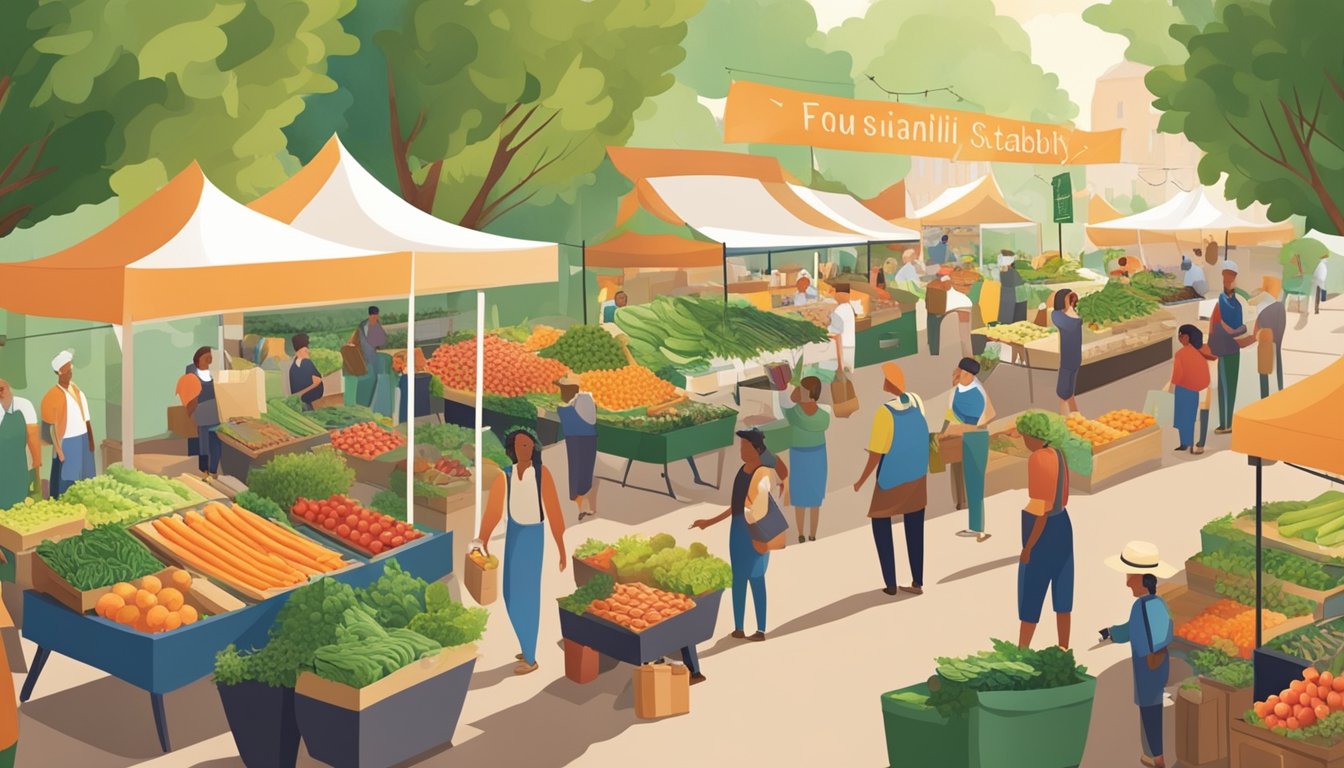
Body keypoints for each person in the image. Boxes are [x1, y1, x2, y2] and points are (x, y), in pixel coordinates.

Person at [475, 429, 566, 675]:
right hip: (515, 536)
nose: (522, 449)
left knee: (527, 596)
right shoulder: (505, 476)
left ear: (533, 448)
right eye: (518, 445)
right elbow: (493, 511)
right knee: (510, 593)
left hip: (533, 538)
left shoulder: (541, 475)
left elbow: (554, 511)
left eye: (526, 445)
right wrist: (482, 538)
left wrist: (561, 546)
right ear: (511, 449)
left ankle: (530, 656)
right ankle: (526, 644)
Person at [692, 429, 787, 641]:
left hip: (756, 529)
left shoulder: (762, 473)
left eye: (745, 446)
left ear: (756, 449)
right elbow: (736, 505)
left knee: (756, 577)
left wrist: (756, 522)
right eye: (741, 446)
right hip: (737, 529)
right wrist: (709, 522)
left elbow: (760, 501)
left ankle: (761, 629)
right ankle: (739, 627)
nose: (741, 450)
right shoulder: (743, 469)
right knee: (739, 579)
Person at [1100, 541, 1177, 768]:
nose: (1126, 583)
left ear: (1143, 580)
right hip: (1150, 666)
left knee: (1150, 712)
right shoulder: (1152, 604)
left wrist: (1154, 657)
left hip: (1149, 667)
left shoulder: (1147, 606)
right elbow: (1128, 630)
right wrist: (1111, 633)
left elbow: (1162, 634)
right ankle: (1151, 754)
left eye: (1130, 577)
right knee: (1147, 711)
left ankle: (1158, 758)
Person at [854, 363, 928, 596]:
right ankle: (917, 582)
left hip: (892, 478)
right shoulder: (916, 400)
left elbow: (877, 453)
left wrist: (861, 481)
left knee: (880, 523)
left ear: (889, 383)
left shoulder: (885, 412)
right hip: (917, 475)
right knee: (915, 528)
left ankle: (891, 583)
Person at [1017, 414, 1075, 650]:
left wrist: (1028, 547)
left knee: (1031, 591)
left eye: (1025, 437)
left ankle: (1022, 649)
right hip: (1063, 523)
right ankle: (1063, 648)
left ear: (1034, 436)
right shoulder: (1059, 455)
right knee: (1062, 589)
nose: (1024, 442)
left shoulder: (1038, 459)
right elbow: (1061, 498)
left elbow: (1042, 508)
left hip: (1043, 529)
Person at [943, 358, 996, 542]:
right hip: (959, 438)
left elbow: (972, 425)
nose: (959, 376)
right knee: (960, 477)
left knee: (974, 483)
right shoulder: (958, 390)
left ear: (971, 376)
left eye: (964, 374)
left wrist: (950, 431)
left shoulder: (975, 394)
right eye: (958, 372)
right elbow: (952, 414)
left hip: (975, 440)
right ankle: (962, 508)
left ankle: (978, 528)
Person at [776, 376, 830, 543]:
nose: (798, 391)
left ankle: (801, 534)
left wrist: (789, 389)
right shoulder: (824, 415)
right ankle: (812, 534)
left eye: (802, 389)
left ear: (809, 393)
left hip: (800, 455)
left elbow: (785, 403)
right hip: (818, 455)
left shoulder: (794, 413)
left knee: (800, 497)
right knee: (814, 498)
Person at [41, 351, 94, 498]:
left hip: (83, 439)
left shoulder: (77, 391)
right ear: (59, 372)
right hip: (67, 442)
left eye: (71, 370)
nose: (70, 373)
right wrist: (59, 450)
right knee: (66, 481)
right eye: (67, 370)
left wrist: (90, 441)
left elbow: (86, 419)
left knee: (86, 478)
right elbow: (50, 429)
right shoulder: (52, 396)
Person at [1208, 262, 1251, 434]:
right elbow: (1220, 324)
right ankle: (1225, 422)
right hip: (1224, 348)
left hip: (1232, 348)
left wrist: (1236, 330)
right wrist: (1236, 330)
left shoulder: (1238, 302)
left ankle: (1227, 423)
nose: (1227, 278)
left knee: (1229, 386)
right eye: (1225, 275)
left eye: (1231, 275)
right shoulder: (1221, 299)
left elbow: (1241, 326)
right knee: (1224, 386)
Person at [555, 373, 599, 520]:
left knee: (584, 470)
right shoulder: (568, 402)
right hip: (574, 438)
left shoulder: (584, 399)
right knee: (577, 470)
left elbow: (589, 419)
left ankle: (586, 504)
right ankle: (580, 505)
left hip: (585, 438)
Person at [1163, 325, 1212, 453]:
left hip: (1183, 388)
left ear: (1186, 337)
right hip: (1195, 389)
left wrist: (1171, 386)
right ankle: (1188, 443)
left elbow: (1178, 374)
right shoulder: (1200, 352)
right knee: (1190, 417)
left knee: (1181, 417)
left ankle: (1185, 443)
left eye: (1180, 335)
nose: (1179, 337)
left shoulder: (1180, 354)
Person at [176, 347, 223, 480]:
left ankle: (212, 471)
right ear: (198, 359)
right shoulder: (192, 373)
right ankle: (204, 471)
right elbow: (189, 394)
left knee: (215, 441)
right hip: (201, 413)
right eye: (206, 358)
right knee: (203, 442)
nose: (209, 361)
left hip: (216, 412)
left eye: (211, 359)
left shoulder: (216, 373)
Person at [0, 379, 41, 509]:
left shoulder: (24, 405)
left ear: (9, 388)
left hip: (21, 463)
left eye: (2, 389)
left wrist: (37, 461)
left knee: (19, 499)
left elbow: (33, 435)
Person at [347, 306, 389, 410]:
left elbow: (380, 341)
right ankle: (364, 406)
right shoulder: (368, 325)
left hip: (368, 358)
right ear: (374, 315)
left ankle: (365, 406)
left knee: (370, 382)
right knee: (369, 381)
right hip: (367, 358)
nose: (376, 317)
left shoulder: (365, 324)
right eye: (376, 315)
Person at [1252, 276, 1287, 397]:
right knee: (1277, 370)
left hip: (1263, 344)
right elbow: (1282, 327)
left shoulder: (1259, 305)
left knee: (1263, 374)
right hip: (1275, 342)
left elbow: (1255, 328)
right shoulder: (1279, 306)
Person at [1051, 290, 1083, 417]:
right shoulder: (1058, 315)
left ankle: (1070, 415)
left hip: (1073, 358)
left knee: (1068, 390)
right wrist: (1070, 309)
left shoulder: (1072, 315)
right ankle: (1068, 415)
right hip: (1069, 358)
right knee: (1064, 390)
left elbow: (1076, 322)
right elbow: (1072, 324)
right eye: (1070, 300)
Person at [288, 334, 324, 410]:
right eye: (307, 350)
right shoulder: (306, 363)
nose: (308, 352)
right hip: (308, 401)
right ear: (303, 350)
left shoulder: (293, 366)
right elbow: (317, 381)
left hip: (304, 401)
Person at [828, 283, 857, 373]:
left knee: (841, 373)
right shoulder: (848, 307)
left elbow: (833, 331)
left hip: (843, 347)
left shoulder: (841, 309)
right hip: (849, 346)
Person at [997, 250, 1026, 325]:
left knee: (1008, 321)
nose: (999, 259)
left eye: (1000, 258)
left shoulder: (1007, 272)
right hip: (1013, 298)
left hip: (1011, 298)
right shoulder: (1011, 272)